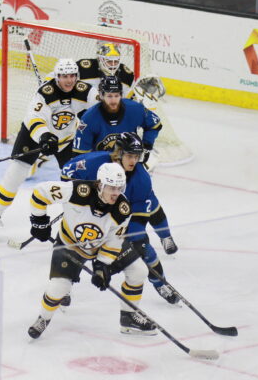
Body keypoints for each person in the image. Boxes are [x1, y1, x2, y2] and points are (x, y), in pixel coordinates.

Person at [26, 162, 157, 339]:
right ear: (100, 184)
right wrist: (38, 221)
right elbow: (40, 192)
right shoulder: (77, 190)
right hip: (70, 244)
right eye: (111, 187)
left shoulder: (122, 209)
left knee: (139, 271)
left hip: (102, 245)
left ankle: (128, 317)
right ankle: (44, 318)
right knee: (58, 287)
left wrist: (102, 265)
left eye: (119, 188)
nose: (116, 193)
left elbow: (114, 240)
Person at [0, 59, 98, 236]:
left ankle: (76, 221)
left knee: (76, 180)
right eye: (64, 76)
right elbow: (34, 118)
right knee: (14, 176)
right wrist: (43, 136)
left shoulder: (86, 91)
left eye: (72, 76)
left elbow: (101, 110)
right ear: (57, 77)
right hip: (33, 136)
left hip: (66, 139)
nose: (69, 80)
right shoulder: (45, 93)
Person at [62, 132, 180, 303]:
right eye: (130, 156)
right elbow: (66, 173)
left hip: (118, 219)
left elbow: (139, 217)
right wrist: (78, 198)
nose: (133, 161)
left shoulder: (141, 179)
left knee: (145, 247)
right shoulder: (94, 162)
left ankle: (160, 283)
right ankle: (64, 287)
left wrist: (134, 240)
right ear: (118, 153)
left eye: (137, 156)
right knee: (76, 246)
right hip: (91, 214)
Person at [73, 75, 162, 158]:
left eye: (116, 95)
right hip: (100, 166)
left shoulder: (135, 108)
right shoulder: (89, 118)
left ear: (121, 95)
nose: (113, 100)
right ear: (101, 96)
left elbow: (155, 125)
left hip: (128, 162)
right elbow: (80, 154)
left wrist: (146, 146)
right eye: (109, 96)